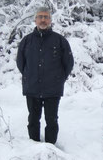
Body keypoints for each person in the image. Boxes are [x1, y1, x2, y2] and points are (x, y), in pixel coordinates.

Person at [16, 7, 74, 144]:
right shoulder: (27, 41)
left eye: (46, 17)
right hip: (32, 87)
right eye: (40, 17)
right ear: (35, 20)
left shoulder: (60, 41)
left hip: (52, 89)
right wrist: (29, 77)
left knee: (52, 120)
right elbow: (20, 63)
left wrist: (59, 80)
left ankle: (50, 147)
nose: (43, 20)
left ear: (50, 20)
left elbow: (68, 63)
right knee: (33, 119)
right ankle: (34, 145)